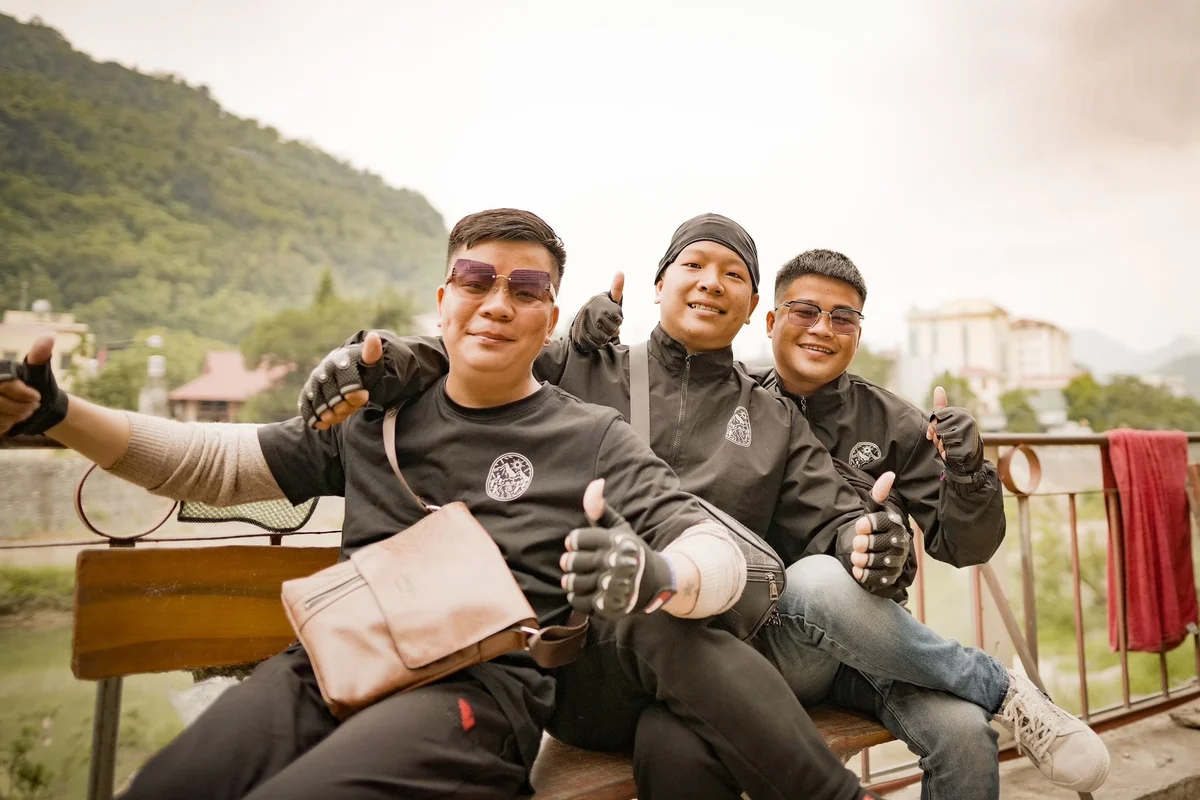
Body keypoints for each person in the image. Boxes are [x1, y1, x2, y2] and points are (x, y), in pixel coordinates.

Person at [0, 210, 876, 800]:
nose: (497, 303)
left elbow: (709, 548)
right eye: (475, 281)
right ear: (443, 298)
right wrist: (60, 415)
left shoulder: (594, 435)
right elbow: (216, 466)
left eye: (524, 291)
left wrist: (661, 571)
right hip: (328, 670)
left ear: (551, 318)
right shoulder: (377, 414)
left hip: (476, 697)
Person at [294, 213, 911, 798]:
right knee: (652, 628)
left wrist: (876, 542)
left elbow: (835, 516)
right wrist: (396, 360)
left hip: (713, 657)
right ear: (658, 284)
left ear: (754, 308)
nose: (711, 283)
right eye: (693, 264)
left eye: (734, 275)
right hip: (583, 660)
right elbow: (481, 351)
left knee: (681, 752)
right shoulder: (581, 365)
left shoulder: (773, 417)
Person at [568, 248, 1112, 797]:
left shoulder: (894, 422)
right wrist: (573, 350)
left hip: (867, 641)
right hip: (755, 638)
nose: (822, 330)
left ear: (858, 332)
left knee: (964, 732)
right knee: (813, 581)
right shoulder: (741, 404)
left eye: (842, 318)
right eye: (805, 312)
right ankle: (1000, 687)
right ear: (771, 319)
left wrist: (961, 478)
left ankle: (1002, 702)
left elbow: (962, 546)